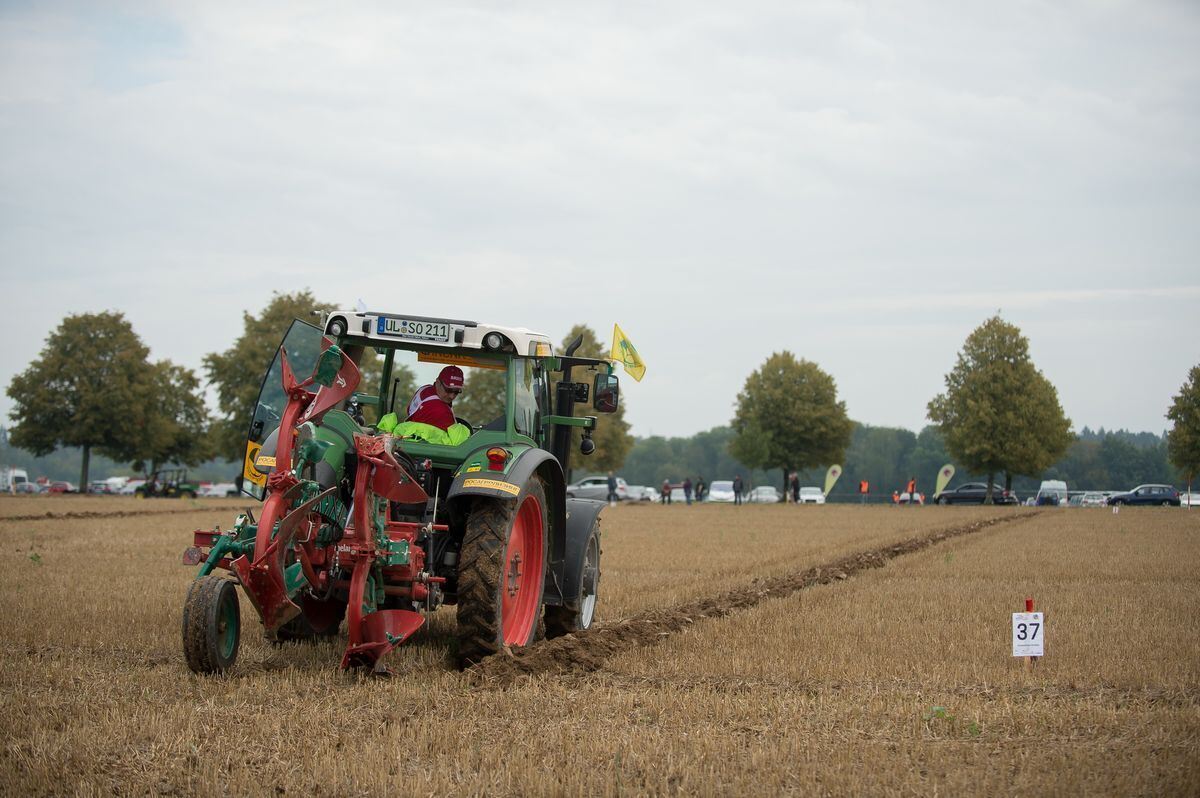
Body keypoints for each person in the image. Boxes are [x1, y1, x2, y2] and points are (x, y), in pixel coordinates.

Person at [405, 366, 464, 431]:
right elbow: (455, 438)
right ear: (438, 382)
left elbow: (409, 410)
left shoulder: (424, 389)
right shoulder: (441, 411)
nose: (452, 396)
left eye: (456, 391)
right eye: (448, 390)